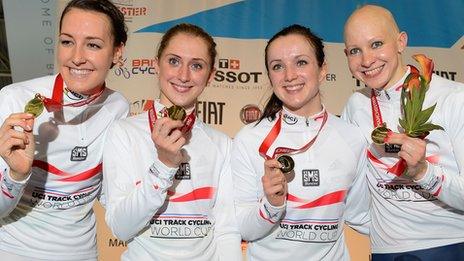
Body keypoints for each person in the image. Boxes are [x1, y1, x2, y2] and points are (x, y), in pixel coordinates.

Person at [0, 0, 129, 260]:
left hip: (80, 253)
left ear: (117, 52)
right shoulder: (15, 99)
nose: (77, 57)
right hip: (13, 252)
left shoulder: (118, 108)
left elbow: (113, 198)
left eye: (93, 44)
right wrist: (16, 174)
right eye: (67, 41)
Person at [103, 23, 242, 261]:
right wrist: (163, 166)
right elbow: (121, 228)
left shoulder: (221, 144)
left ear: (210, 76)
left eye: (196, 65)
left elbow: (227, 231)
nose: (184, 75)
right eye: (174, 61)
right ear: (156, 65)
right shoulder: (124, 132)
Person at [231, 24, 370, 260]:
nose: (289, 76)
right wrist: (272, 205)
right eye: (278, 66)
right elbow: (244, 229)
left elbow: (361, 216)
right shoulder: (249, 138)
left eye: (301, 62)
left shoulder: (351, 137)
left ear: (323, 69)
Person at [342, 4, 464, 260]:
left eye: (376, 44)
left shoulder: (453, 98)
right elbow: (353, 189)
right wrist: (382, 232)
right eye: (355, 51)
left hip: (450, 245)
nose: (366, 60)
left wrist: (423, 172)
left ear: (401, 42)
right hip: (386, 251)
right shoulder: (356, 106)